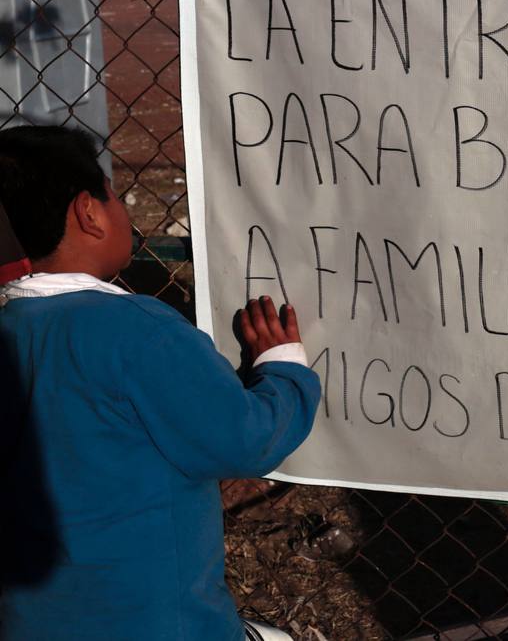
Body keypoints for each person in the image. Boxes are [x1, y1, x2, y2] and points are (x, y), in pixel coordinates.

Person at [0, 125, 321, 640]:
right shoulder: (139, 330)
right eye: (112, 195)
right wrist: (283, 370)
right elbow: (244, 439)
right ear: (89, 212)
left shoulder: (12, 329)